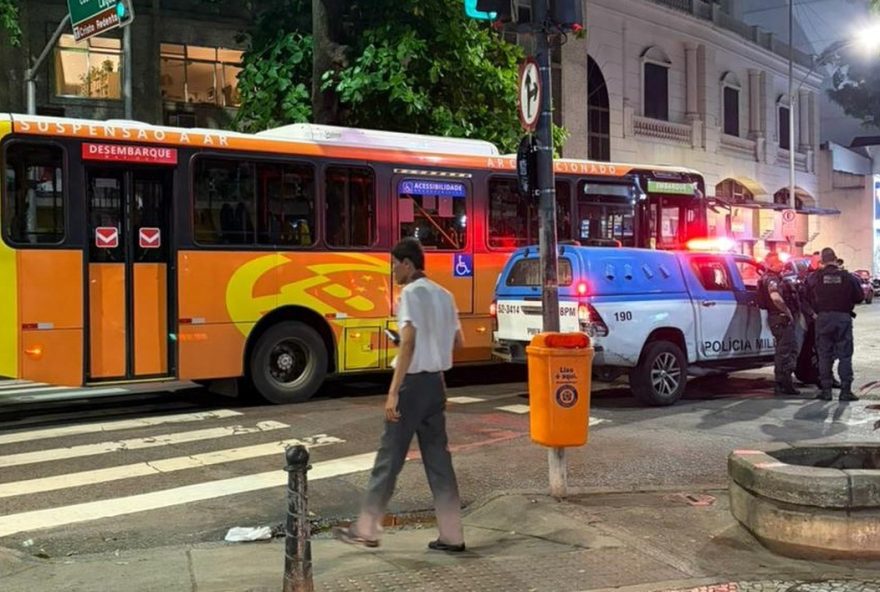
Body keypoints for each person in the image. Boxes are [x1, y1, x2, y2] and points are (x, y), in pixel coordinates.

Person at [333, 237, 466, 553]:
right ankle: (452, 534)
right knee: (439, 461)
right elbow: (458, 341)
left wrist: (393, 393)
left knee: (389, 458)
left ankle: (366, 528)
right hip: (436, 384)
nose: (392, 271)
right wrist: (433, 345)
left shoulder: (411, 293)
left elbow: (408, 343)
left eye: (394, 264)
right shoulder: (444, 294)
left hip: (412, 386)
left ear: (408, 264)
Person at [805, 247, 864, 401]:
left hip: (822, 319)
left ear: (822, 261)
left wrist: (813, 313)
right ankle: (845, 391)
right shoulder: (848, 277)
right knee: (845, 356)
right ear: (835, 259)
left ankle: (826, 391)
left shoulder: (814, 277)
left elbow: (804, 297)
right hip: (843, 318)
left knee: (824, 355)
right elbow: (859, 297)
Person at [757, 252, 801, 395]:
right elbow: (775, 298)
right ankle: (784, 384)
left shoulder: (770, 278)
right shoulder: (772, 280)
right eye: (778, 263)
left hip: (777, 318)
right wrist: (787, 312)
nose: (782, 265)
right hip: (781, 318)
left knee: (784, 350)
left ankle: (781, 383)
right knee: (786, 351)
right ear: (770, 265)